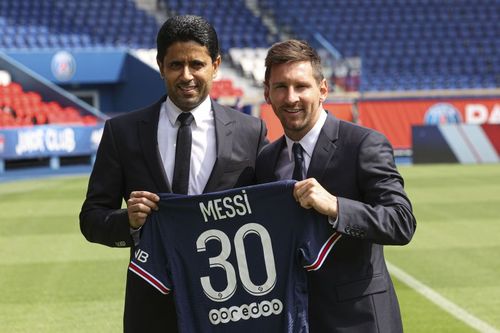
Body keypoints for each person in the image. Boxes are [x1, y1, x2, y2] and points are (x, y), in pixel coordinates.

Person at [80, 15, 268, 332]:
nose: (187, 75)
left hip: (231, 304)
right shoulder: (122, 133)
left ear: (216, 64)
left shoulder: (251, 132)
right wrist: (127, 221)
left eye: (196, 64)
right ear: (160, 65)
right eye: (175, 65)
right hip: (152, 303)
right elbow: (91, 218)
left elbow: (267, 214)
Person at [256, 39, 416, 332]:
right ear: (268, 94)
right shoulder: (266, 160)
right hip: (294, 319)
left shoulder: (364, 144)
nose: (291, 97)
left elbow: (401, 222)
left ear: (323, 90)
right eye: (280, 87)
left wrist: (336, 207)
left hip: (359, 321)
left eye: (301, 86)